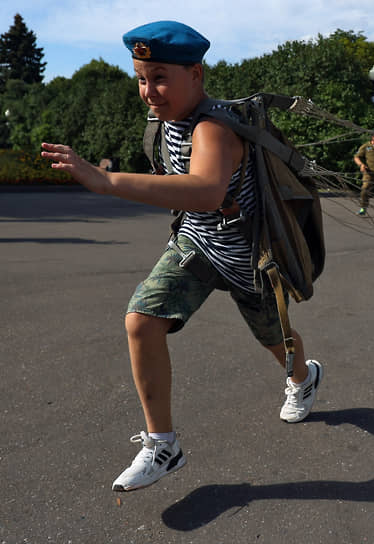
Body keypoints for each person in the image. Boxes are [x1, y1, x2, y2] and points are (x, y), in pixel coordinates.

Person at [40, 21, 323, 492]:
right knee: (141, 320)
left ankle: (303, 377)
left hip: (248, 258)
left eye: (160, 77)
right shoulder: (163, 121)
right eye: (141, 78)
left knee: (275, 339)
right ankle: (162, 444)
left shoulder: (213, 127)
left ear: (197, 74)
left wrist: (107, 180)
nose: (149, 91)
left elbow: (206, 190)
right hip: (196, 246)